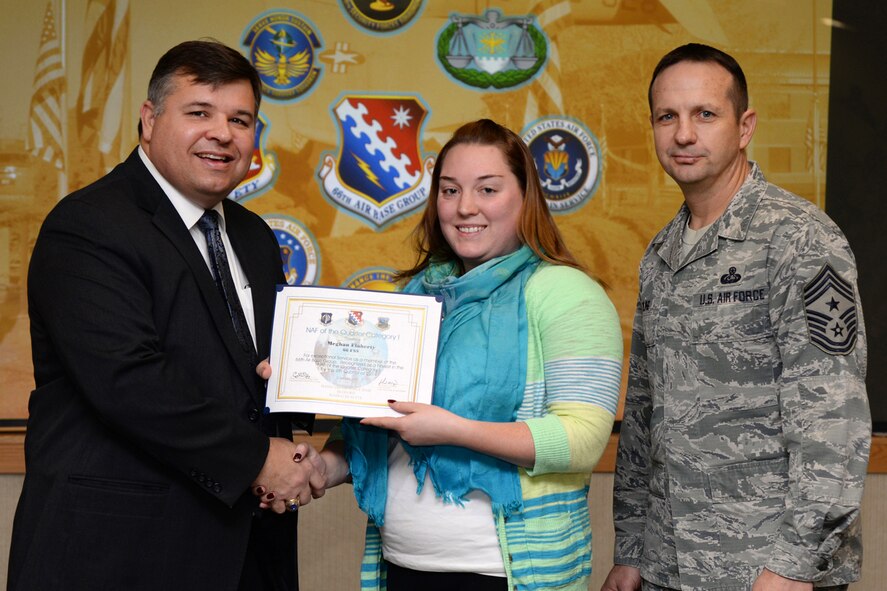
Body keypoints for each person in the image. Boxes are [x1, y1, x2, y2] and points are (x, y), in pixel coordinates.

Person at [9, 40, 324, 591]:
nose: (222, 133)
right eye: (199, 112)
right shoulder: (88, 225)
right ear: (149, 120)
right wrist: (257, 459)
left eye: (240, 119)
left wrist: (318, 381)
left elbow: (258, 374)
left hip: (248, 546)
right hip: (120, 552)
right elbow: (128, 381)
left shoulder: (251, 235)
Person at [601, 43, 871, 591]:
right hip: (669, 567)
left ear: (744, 126)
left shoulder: (798, 237)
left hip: (765, 570)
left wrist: (791, 567)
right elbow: (644, 419)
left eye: (705, 114)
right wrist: (630, 551)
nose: (683, 134)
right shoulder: (660, 255)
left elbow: (833, 420)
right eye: (667, 116)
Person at [311, 118, 623, 590]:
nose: (465, 208)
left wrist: (452, 430)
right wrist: (320, 461)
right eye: (450, 190)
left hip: (512, 575)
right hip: (400, 568)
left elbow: (582, 439)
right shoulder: (412, 300)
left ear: (525, 197)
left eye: (488, 189)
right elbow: (377, 429)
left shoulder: (566, 293)